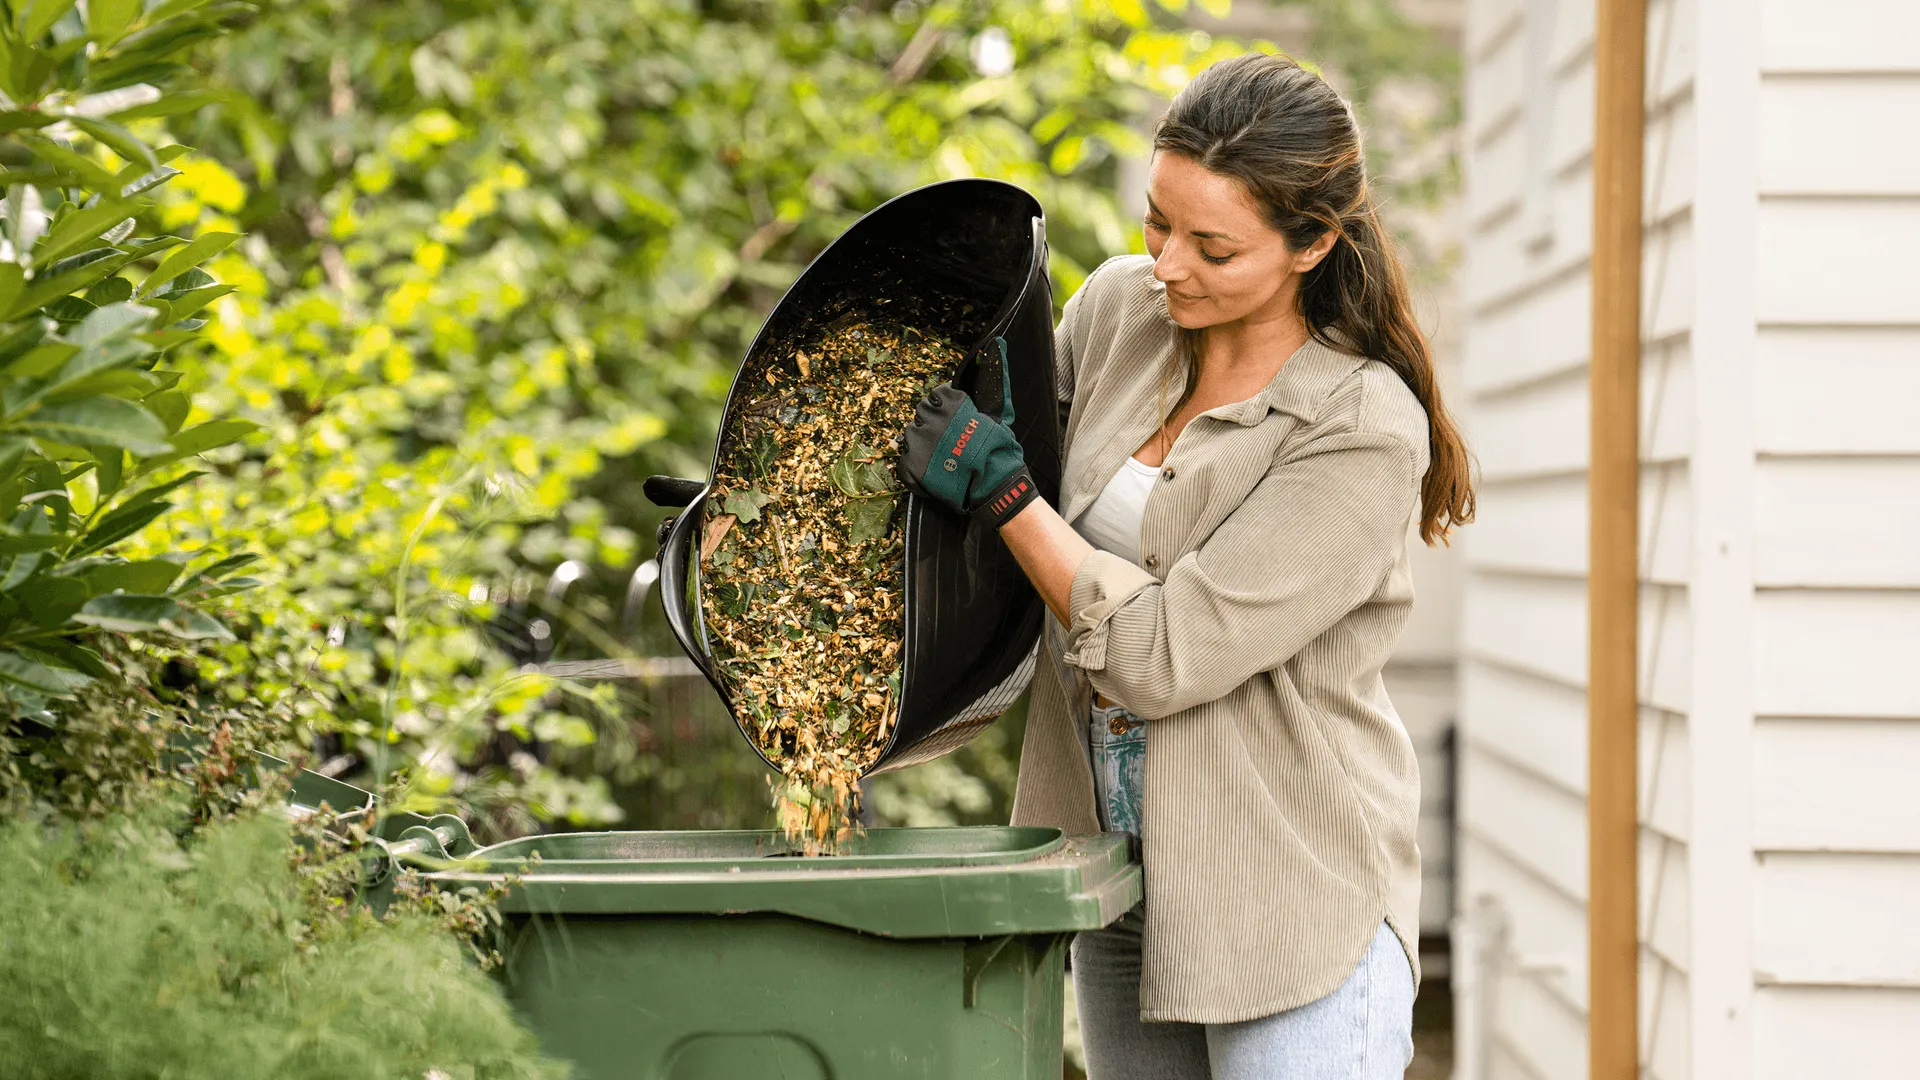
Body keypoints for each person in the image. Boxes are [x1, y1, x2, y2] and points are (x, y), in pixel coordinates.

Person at [897, 52, 1474, 1080]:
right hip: (1111, 876)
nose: (1169, 264)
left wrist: (1006, 495)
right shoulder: (1121, 312)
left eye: (1213, 246)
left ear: (1313, 242)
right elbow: (985, 474)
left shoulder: (1358, 426)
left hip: (1286, 893)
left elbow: (1166, 655)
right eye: (1159, 223)